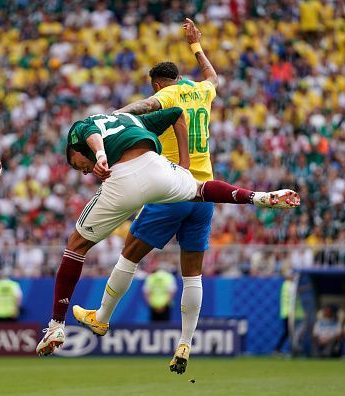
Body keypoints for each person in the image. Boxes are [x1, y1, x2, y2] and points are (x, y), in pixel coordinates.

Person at [36, 100, 300, 356]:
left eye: (77, 165)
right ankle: (256, 197)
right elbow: (175, 113)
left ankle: (57, 326)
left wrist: (101, 155)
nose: (83, 171)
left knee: (76, 246)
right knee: (199, 190)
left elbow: (90, 130)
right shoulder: (132, 120)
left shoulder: (80, 131)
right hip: (158, 170)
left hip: (122, 178)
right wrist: (184, 161)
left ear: (74, 150)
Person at [73, 18, 221, 373]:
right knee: (192, 275)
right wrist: (196, 46)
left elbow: (145, 106)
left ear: (158, 83)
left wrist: (115, 116)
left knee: (129, 254)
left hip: (171, 188)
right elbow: (214, 77)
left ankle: (101, 317)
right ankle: (185, 343)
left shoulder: (167, 95)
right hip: (204, 190)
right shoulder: (203, 90)